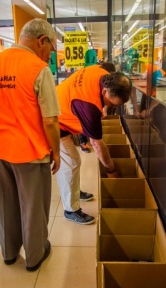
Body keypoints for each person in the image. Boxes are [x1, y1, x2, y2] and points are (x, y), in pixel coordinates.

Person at [0, 18, 61, 271]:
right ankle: (35, 256)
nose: (50, 55)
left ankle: (9, 253)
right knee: (33, 206)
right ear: (41, 41)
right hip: (29, 151)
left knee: (5, 203)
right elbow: (50, 120)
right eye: (51, 48)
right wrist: (56, 151)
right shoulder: (37, 67)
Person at [56, 65, 132, 224]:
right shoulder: (90, 107)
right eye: (111, 104)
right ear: (105, 91)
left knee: (73, 161)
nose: (111, 108)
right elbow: (97, 144)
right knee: (71, 162)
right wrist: (111, 169)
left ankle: (74, 193)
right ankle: (70, 210)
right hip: (55, 120)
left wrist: (104, 107)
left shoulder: (102, 74)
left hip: (63, 103)